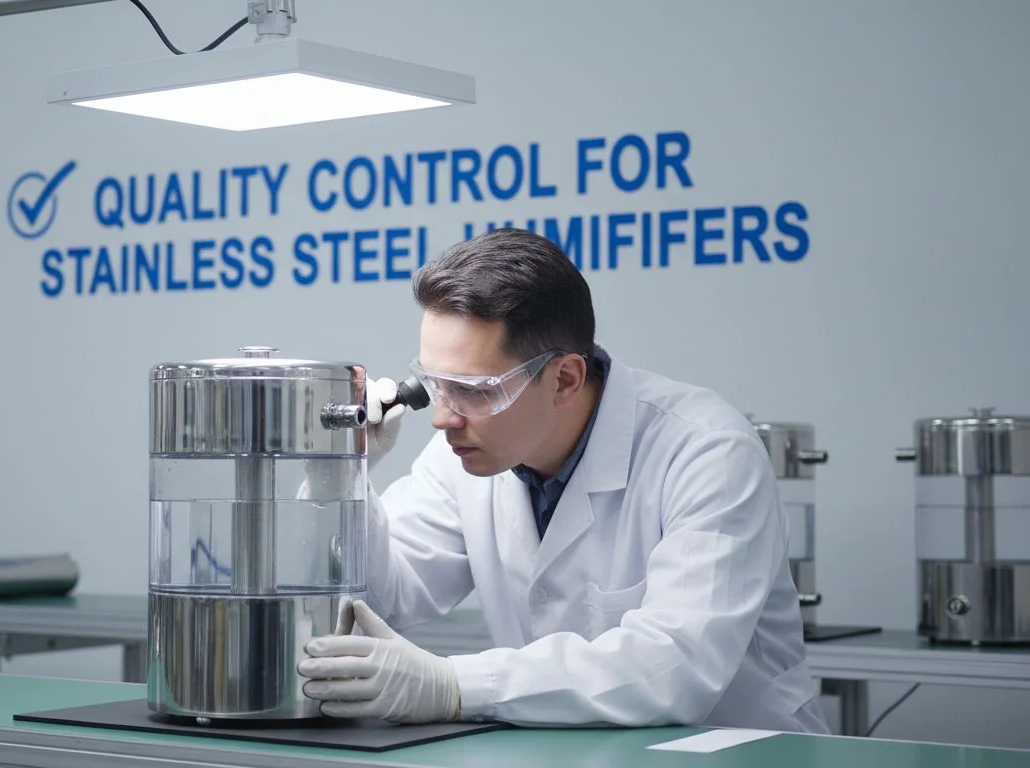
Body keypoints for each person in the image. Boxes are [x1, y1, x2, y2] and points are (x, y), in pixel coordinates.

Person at [295, 227, 830, 733]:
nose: (442, 417)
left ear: (565, 378)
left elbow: (676, 666)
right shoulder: (462, 455)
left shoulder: (706, 451)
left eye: (474, 390)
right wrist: (336, 480)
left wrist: (454, 685)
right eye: (436, 385)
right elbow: (384, 601)